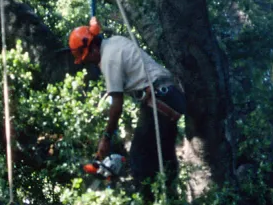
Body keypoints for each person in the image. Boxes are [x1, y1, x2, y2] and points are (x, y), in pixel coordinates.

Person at [68, 18, 186, 185]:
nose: (90, 63)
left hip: (159, 99)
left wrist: (106, 138)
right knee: (163, 158)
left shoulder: (108, 59)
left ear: (93, 48)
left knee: (139, 159)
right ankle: (171, 201)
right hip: (169, 96)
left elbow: (117, 104)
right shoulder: (115, 41)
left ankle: (148, 204)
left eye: (88, 59)